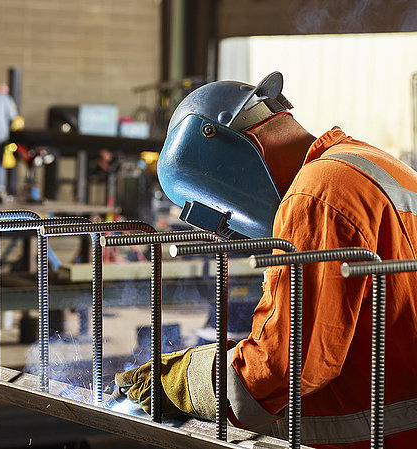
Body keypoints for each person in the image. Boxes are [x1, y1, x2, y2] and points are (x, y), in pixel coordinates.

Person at [115, 72, 417, 448]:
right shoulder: (366, 163)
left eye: (224, 207)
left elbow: (286, 365)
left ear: (237, 152)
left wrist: (183, 382)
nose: (229, 222)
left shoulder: (317, 192)